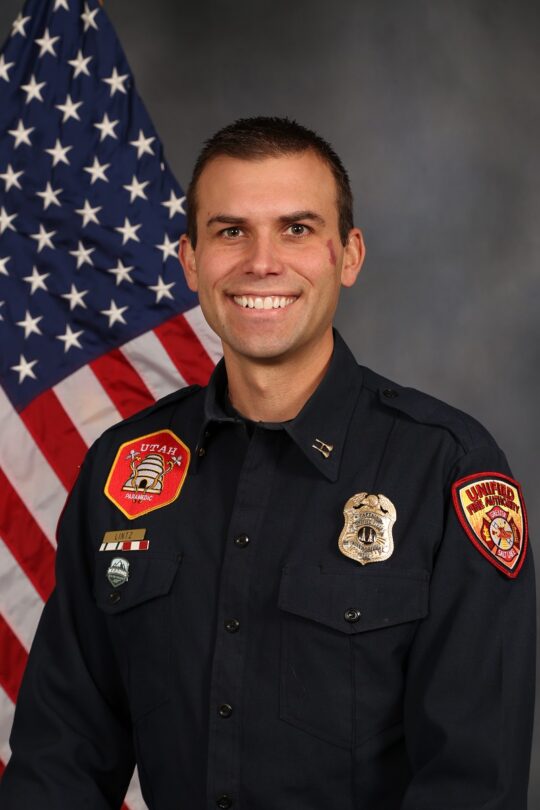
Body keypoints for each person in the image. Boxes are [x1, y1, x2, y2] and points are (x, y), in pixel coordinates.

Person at [0, 117, 535, 809]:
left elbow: (472, 784)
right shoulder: (122, 469)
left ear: (349, 256)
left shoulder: (446, 471)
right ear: (191, 261)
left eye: (297, 229)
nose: (261, 262)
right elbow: (59, 759)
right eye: (231, 231)